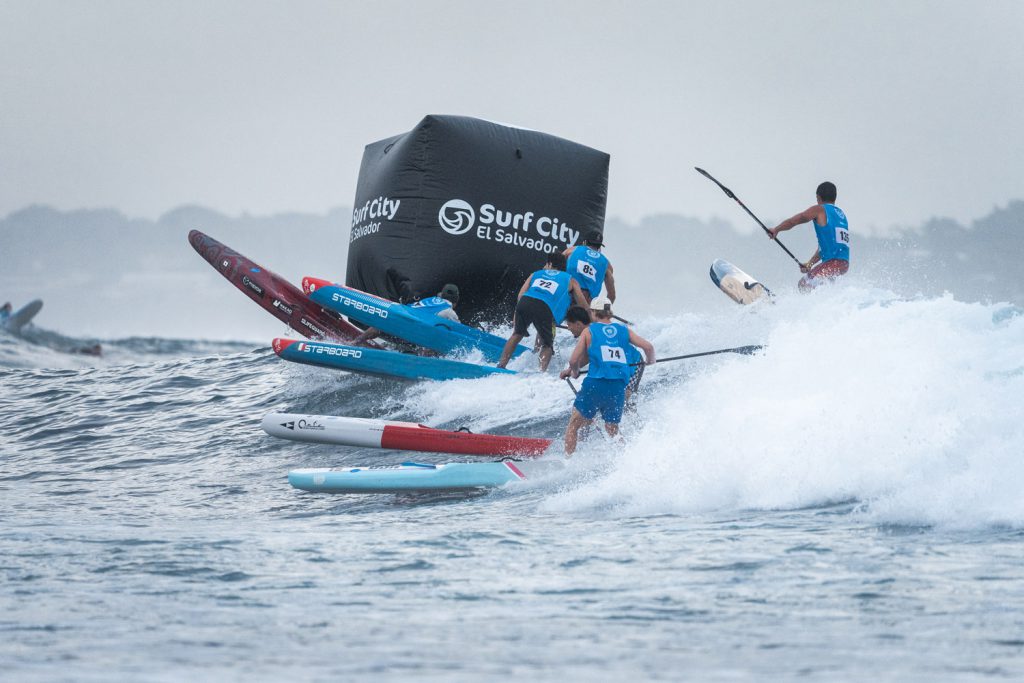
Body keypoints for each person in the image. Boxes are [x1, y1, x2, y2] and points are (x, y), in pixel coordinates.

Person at [560, 296, 655, 455]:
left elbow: (575, 359)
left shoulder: (589, 331)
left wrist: (574, 371)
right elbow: (648, 347)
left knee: (574, 424)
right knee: (611, 427)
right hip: (617, 382)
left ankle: (568, 460)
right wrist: (650, 361)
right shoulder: (624, 330)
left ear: (592, 312)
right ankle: (627, 456)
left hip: (617, 373)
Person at [497, 252, 588, 371]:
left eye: (546, 263)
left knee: (516, 334)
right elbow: (582, 304)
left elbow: (521, 294)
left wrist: (517, 314)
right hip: (544, 308)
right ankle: (540, 373)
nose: (544, 266)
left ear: (550, 264)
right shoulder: (570, 280)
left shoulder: (535, 274)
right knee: (547, 344)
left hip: (525, 302)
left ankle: (501, 366)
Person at [768, 181, 849, 291]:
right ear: (834, 197)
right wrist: (810, 263)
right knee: (818, 287)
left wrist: (777, 229)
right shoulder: (841, 215)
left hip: (832, 263)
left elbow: (796, 220)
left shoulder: (819, 209)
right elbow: (825, 247)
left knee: (804, 284)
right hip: (843, 264)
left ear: (818, 197)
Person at [352, 284, 460, 346]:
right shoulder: (449, 311)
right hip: (413, 326)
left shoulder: (431, 299)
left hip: (400, 313)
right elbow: (459, 331)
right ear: (455, 301)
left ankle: (355, 342)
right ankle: (421, 362)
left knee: (381, 325)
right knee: (438, 335)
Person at [563, 229, 616, 303]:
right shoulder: (607, 264)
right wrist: (603, 312)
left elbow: (556, 264)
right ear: (599, 246)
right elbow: (612, 295)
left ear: (585, 242)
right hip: (586, 304)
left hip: (567, 296)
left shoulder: (571, 250)